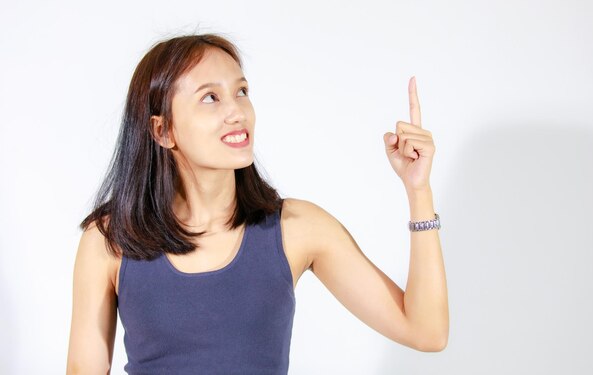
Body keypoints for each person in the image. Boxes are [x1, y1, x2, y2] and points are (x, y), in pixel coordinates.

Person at [66, 32, 449, 375]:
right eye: (210, 98)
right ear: (163, 130)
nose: (237, 111)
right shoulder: (110, 240)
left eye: (242, 92)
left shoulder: (298, 228)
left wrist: (419, 191)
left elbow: (425, 331)